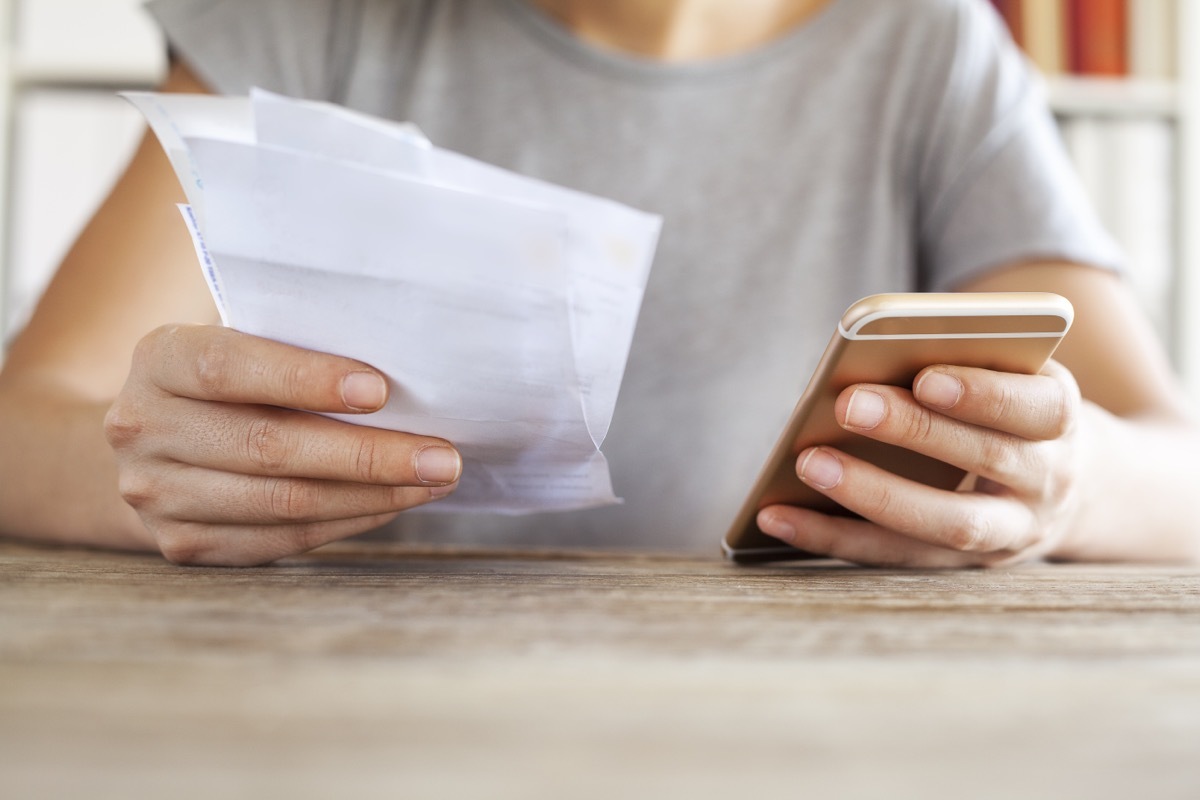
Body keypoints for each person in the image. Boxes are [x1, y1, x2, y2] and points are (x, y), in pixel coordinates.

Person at [0, 0, 1196, 567]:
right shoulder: (321, 21)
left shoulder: (926, 50)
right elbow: (22, 425)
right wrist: (145, 463)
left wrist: (1071, 488)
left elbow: (1176, 468)